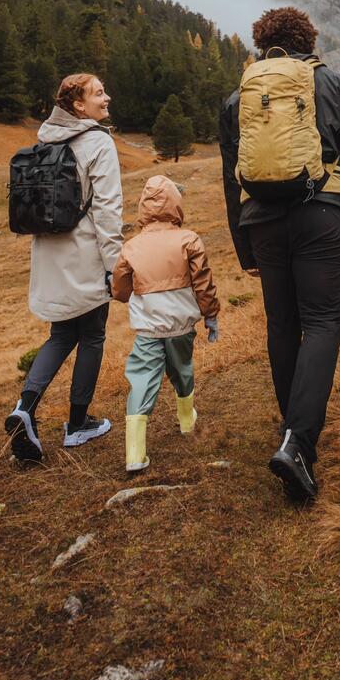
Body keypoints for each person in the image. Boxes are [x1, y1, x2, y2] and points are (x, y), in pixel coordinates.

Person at [220, 6, 340, 504]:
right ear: (308, 41)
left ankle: (291, 428)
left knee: (281, 324)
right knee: (323, 321)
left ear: (262, 44)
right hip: (323, 216)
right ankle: (298, 441)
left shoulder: (239, 98)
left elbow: (230, 178)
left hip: (262, 222)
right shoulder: (338, 87)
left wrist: (243, 247)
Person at [5, 73, 124, 462]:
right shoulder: (98, 143)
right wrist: (114, 266)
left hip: (50, 256)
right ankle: (77, 424)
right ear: (78, 106)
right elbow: (107, 210)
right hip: (86, 255)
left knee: (60, 334)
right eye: (98, 93)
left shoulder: (47, 140)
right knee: (92, 334)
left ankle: (25, 408)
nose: (107, 98)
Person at [109, 175, 221, 473]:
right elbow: (203, 283)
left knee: (142, 380)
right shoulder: (189, 239)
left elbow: (120, 291)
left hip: (148, 328)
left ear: (143, 207)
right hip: (181, 325)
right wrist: (211, 315)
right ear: (175, 204)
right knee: (182, 370)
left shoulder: (131, 247)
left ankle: (135, 454)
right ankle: (186, 421)